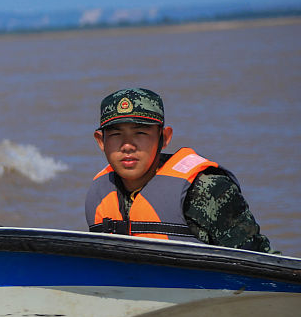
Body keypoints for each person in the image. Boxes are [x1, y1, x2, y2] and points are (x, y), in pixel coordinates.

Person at [85, 87, 271, 250]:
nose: (127, 146)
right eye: (116, 134)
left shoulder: (207, 189)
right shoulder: (99, 194)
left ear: (164, 138)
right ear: (101, 141)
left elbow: (259, 261)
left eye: (140, 133)